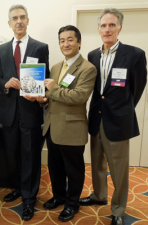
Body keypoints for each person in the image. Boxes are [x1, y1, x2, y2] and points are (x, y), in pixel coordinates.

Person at [79, 8, 147, 225]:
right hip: (96, 119)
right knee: (97, 163)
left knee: (119, 169)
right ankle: (99, 195)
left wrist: (122, 110)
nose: (107, 29)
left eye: (111, 25)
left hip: (118, 121)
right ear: (98, 29)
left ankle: (118, 209)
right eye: (103, 25)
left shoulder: (134, 55)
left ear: (119, 28)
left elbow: (137, 89)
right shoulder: (92, 55)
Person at [0, 4, 50, 221]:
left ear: (27, 21)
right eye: (15, 18)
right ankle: (19, 186)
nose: (19, 21)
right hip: (9, 114)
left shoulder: (40, 47)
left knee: (30, 156)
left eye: (22, 17)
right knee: (14, 156)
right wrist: (6, 84)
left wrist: (39, 94)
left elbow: (44, 78)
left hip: (31, 112)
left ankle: (29, 198)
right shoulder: (2, 50)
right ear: (9, 23)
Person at [37, 25, 97, 222]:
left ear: (79, 42)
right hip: (52, 126)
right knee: (55, 167)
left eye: (70, 39)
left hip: (72, 128)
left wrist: (52, 89)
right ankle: (59, 196)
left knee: (74, 169)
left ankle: (72, 204)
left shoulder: (87, 68)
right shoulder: (55, 67)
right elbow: (53, 95)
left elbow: (79, 97)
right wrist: (43, 98)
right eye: (62, 40)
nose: (66, 44)